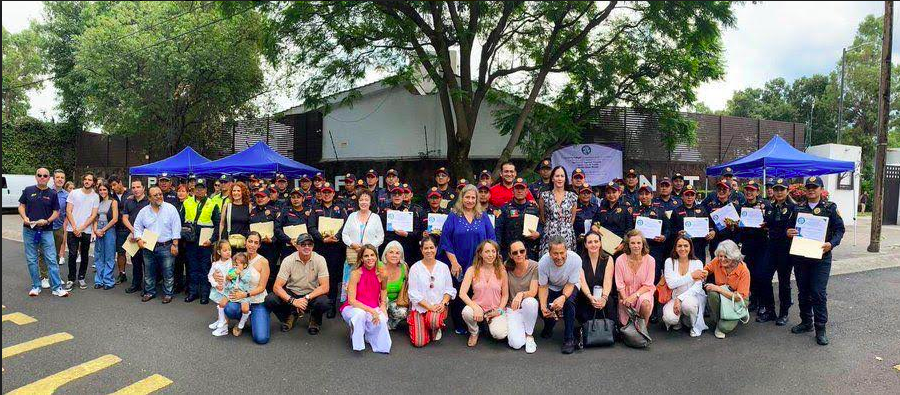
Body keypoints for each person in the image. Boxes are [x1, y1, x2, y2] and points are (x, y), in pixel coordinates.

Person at [787, 176, 845, 346]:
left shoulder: (830, 207)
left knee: (818, 293)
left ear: (821, 189)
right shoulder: (798, 208)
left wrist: (831, 244)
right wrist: (788, 232)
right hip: (801, 257)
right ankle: (806, 322)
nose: (811, 190)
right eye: (809, 187)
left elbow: (840, 230)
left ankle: (821, 328)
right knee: (803, 292)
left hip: (821, 258)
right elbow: (789, 228)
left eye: (815, 187)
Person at [438, 184, 497, 335]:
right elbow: (445, 240)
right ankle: (460, 324)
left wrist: (490, 259)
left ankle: (480, 322)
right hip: (459, 261)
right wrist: (453, 262)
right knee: (460, 292)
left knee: (479, 292)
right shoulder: (453, 215)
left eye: (473, 197)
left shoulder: (482, 216)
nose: (470, 200)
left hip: (479, 262)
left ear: (477, 199)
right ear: (461, 198)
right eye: (467, 197)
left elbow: (492, 239)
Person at [264, 233, 330, 336]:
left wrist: (307, 298)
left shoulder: (320, 259)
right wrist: (292, 300)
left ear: (313, 246)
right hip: (292, 292)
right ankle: (290, 315)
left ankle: (315, 319)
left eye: (310, 244)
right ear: (297, 246)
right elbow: (277, 286)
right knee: (270, 299)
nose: (307, 247)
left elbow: (325, 287)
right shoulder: (288, 260)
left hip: (311, 293)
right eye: (303, 244)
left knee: (324, 302)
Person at [18, 168, 69, 297]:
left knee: (51, 258)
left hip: (46, 231)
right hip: (29, 230)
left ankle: (57, 288)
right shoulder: (28, 190)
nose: (42, 177)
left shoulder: (52, 194)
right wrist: (24, 218)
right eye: (39, 175)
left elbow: (56, 212)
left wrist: (47, 221)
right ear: (36, 177)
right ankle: (36, 286)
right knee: (31, 259)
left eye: (45, 175)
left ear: (48, 178)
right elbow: (21, 206)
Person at [213, 232, 271, 344]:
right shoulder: (238, 258)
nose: (252, 245)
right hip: (239, 300)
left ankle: (257, 316)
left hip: (256, 300)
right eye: (250, 241)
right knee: (229, 308)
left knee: (261, 338)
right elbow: (227, 273)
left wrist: (246, 294)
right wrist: (222, 277)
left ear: (259, 245)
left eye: (256, 243)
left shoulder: (263, 262)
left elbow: (262, 287)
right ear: (245, 242)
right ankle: (239, 321)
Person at [133, 186, 182, 303]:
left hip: (166, 246)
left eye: (160, 194)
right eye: (156, 195)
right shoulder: (144, 211)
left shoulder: (171, 209)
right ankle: (149, 292)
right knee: (149, 271)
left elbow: (176, 227)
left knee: (168, 272)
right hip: (148, 245)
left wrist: (175, 245)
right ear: (149, 198)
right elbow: (137, 226)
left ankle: (168, 294)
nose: (159, 196)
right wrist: (139, 239)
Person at [341, 244, 392, 353]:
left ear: (376, 257)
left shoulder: (383, 273)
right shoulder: (356, 273)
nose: (370, 258)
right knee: (360, 314)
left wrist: (383, 305)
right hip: (353, 308)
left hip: (373, 307)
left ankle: (368, 335)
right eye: (366, 256)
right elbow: (351, 300)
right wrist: (372, 311)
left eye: (372, 255)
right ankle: (357, 342)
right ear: (362, 259)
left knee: (382, 320)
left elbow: (383, 289)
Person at [407, 236, 456, 347]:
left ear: (436, 248)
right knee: (419, 343)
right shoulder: (415, 268)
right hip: (421, 307)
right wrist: (429, 307)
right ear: (421, 250)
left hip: (438, 307)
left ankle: (434, 327)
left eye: (431, 247)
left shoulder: (443, 267)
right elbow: (413, 293)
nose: (429, 251)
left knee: (433, 321)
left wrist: (443, 303)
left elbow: (449, 289)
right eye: (426, 248)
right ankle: (423, 326)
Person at [307, 182, 347, 318]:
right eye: (324, 192)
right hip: (320, 247)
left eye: (329, 192)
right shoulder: (315, 208)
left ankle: (331, 305)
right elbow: (311, 227)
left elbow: (345, 226)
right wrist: (322, 238)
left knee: (334, 277)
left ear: (333, 193)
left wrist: (337, 236)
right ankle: (318, 302)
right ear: (321, 194)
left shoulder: (340, 208)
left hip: (336, 248)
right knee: (319, 275)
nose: (327, 194)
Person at [759, 178, 796, 326]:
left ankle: (784, 313)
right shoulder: (769, 206)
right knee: (763, 277)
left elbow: (793, 229)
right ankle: (770, 311)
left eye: (782, 189)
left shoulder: (794, 208)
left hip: (786, 249)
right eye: (776, 190)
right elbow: (771, 223)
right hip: (771, 247)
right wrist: (766, 225)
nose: (779, 192)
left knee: (784, 282)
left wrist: (782, 232)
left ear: (788, 191)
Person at [459, 240, 509, 347]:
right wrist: (475, 307)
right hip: (478, 307)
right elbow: (462, 293)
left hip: (495, 309)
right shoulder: (471, 270)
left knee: (499, 334)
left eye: (493, 251)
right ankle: (474, 331)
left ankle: (488, 324)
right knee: (467, 312)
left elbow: (505, 295)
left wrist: (499, 310)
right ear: (480, 253)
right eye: (487, 252)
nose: (491, 255)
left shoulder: (502, 271)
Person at [538, 236, 582, 354]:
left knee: (568, 303)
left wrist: (563, 297)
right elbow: (543, 286)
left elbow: (570, 285)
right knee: (542, 307)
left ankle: (569, 339)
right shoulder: (543, 262)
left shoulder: (576, 260)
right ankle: (549, 324)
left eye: (562, 253)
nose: (559, 257)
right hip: (551, 286)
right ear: (549, 253)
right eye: (555, 253)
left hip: (570, 284)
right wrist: (543, 306)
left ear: (566, 250)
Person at [699, 240, 751, 339]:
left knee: (724, 327)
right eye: (720, 256)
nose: (722, 259)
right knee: (712, 292)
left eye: (726, 256)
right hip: (723, 295)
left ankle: (739, 313)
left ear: (733, 256)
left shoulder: (744, 271)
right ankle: (720, 319)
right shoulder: (717, 261)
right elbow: (708, 268)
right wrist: (705, 272)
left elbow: (738, 297)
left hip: (737, 299)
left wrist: (718, 289)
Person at [341, 189, 384, 305]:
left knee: (368, 280)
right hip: (353, 255)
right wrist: (352, 244)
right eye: (361, 200)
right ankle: (350, 303)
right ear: (358, 202)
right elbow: (344, 234)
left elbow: (381, 237)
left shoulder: (376, 217)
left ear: (370, 202)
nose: (364, 202)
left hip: (369, 257)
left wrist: (368, 248)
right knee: (352, 280)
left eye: (366, 200)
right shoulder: (352, 216)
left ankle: (368, 303)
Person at [661, 236, 707, 337]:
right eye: (679, 246)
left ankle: (693, 324)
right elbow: (671, 284)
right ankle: (679, 320)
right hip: (674, 297)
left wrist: (680, 298)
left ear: (690, 247)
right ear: (675, 248)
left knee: (688, 305)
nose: (682, 249)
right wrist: (691, 276)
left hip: (693, 297)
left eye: (686, 246)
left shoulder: (697, 263)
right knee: (670, 318)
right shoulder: (670, 261)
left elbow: (697, 287)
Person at [738, 180, 771, 317]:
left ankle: (763, 303)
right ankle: (754, 300)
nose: (749, 192)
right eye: (747, 190)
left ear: (758, 192)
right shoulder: (742, 206)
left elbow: (771, 223)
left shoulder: (765, 205)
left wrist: (767, 225)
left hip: (762, 245)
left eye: (752, 190)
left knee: (761, 274)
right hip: (747, 245)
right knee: (749, 274)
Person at [184, 181, 221, 304]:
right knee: (192, 267)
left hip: (205, 241)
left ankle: (205, 294)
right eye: (197, 188)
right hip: (191, 240)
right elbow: (181, 220)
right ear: (193, 190)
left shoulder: (213, 204)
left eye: (202, 188)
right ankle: (193, 292)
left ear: (206, 190)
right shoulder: (187, 202)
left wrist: (211, 240)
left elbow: (217, 225)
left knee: (205, 268)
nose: (199, 191)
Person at [575, 232, 615, 345]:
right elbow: (581, 281)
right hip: (586, 296)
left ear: (601, 243)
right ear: (585, 244)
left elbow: (608, 281)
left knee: (610, 303)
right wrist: (590, 297)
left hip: (604, 296)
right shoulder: (579, 259)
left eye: (596, 241)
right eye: (590, 242)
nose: (593, 244)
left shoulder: (608, 258)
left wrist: (604, 298)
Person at [614, 230, 655, 332]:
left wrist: (635, 296)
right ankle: (631, 328)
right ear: (628, 245)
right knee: (625, 325)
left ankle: (642, 329)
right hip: (625, 294)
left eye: (638, 243)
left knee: (645, 304)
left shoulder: (650, 260)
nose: (636, 246)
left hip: (643, 292)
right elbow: (619, 284)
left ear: (643, 244)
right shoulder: (620, 260)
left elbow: (648, 284)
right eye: (632, 243)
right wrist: (625, 299)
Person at [65, 172, 100, 290]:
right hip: (72, 229)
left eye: (90, 180)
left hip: (86, 230)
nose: (87, 181)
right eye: (85, 179)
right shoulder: (74, 193)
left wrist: (81, 228)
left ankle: (81, 277)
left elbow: (93, 215)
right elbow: (68, 211)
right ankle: (70, 279)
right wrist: (75, 227)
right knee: (72, 254)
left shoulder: (95, 196)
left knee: (85, 254)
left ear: (93, 182)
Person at [505, 240, 539, 353]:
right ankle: (522, 328)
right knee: (516, 344)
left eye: (522, 251)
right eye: (515, 253)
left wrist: (521, 294)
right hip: (512, 308)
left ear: (526, 251)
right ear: (510, 255)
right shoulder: (506, 266)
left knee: (530, 301)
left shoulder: (534, 266)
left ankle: (529, 335)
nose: (519, 254)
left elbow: (533, 292)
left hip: (526, 307)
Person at [495, 178, 542, 260]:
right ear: (513, 191)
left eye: (522, 188)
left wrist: (538, 233)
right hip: (509, 252)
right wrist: (497, 250)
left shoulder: (534, 208)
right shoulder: (505, 209)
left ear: (527, 191)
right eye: (517, 188)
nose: (519, 191)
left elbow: (542, 224)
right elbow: (498, 230)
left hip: (529, 251)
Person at [669, 185, 715, 262]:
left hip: (699, 248)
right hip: (682, 248)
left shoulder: (702, 210)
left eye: (692, 195)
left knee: (699, 271)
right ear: (682, 197)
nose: (689, 197)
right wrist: (678, 233)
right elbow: (670, 229)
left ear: (695, 196)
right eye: (687, 195)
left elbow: (710, 226)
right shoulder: (676, 211)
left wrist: (712, 232)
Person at [539, 166, 577, 255]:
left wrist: (566, 226)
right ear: (552, 178)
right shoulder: (544, 196)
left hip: (567, 234)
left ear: (565, 179)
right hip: (549, 233)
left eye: (562, 176)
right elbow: (542, 217)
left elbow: (573, 218)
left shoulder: (572, 196)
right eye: (557, 176)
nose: (559, 179)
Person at [122, 180, 151, 294]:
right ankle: (136, 284)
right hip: (133, 234)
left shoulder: (149, 202)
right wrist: (134, 231)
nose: (136, 189)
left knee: (148, 263)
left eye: (138, 187)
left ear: (143, 188)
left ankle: (148, 287)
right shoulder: (128, 201)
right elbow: (125, 218)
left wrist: (140, 234)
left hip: (147, 236)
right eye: (133, 187)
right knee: (135, 262)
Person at [249, 187, 281, 289]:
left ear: (268, 198)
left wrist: (272, 239)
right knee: (254, 272)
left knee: (269, 273)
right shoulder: (252, 211)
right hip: (256, 248)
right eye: (257, 197)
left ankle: (267, 296)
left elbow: (279, 229)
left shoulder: (275, 211)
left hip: (270, 247)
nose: (259, 199)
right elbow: (248, 227)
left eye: (262, 197)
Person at [590, 182, 634, 253]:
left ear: (619, 192)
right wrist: (594, 226)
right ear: (605, 194)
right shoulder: (601, 208)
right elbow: (595, 223)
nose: (611, 195)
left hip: (620, 246)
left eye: (614, 192)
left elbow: (629, 229)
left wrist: (624, 243)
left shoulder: (626, 208)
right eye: (608, 193)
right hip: (603, 246)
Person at [702, 180, 741, 258]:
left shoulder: (735, 207)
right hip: (715, 242)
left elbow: (739, 227)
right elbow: (706, 222)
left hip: (731, 241)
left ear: (729, 192)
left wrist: (735, 226)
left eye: (724, 189)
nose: (721, 191)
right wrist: (711, 230)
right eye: (719, 189)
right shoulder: (710, 206)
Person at [219, 252, 255, 337]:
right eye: (234, 263)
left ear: (245, 265)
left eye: (238, 264)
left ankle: (241, 323)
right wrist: (228, 278)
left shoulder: (247, 272)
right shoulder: (232, 271)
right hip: (231, 292)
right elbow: (228, 284)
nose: (235, 266)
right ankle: (221, 320)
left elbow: (247, 280)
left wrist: (240, 273)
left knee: (245, 309)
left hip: (243, 294)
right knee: (221, 303)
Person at [92, 181, 119, 290]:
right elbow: (95, 218)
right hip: (98, 229)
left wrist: (103, 229)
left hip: (109, 229)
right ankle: (99, 280)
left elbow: (115, 219)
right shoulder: (97, 201)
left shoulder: (113, 202)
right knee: (98, 255)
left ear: (108, 190)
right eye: (100, 190)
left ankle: (108, 280)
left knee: (109, 255)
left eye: (104, 189)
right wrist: (96, 230)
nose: (102, 192)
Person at [380, 186, 419, 259]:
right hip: (387, 246)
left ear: (403, 196)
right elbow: (379, 230)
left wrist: (407, 234)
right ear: (391, 196)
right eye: (394, 194)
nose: (397, 196)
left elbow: (416, 232)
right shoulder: (384, 210)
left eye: (400, 194)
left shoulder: (411, 211)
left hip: (405, 248)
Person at [207, 240, 234, 335]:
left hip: (228, 290)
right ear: (219, 252)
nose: (228, 252)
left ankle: (224, 327)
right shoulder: (216, 264)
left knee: (223, 306)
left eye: (229, 250)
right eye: (225, 250)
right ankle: (220, 321)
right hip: (218, 289)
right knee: (219, 306)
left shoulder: (232, 263)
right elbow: (210, 276)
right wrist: (215, 284)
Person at [381, 241, 409, 330]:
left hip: (396, 300)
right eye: (391, 252)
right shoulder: (379, 266)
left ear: (401, 256)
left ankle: (391, 322)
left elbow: (407, 285)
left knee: (403, 312)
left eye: (397, 253)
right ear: (385, 254)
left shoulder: (404, 267)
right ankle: (382, 321)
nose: (394, 255)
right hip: (380, 299)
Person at [109, 175, 131, 284]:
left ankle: (140, 276)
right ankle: (122, 274)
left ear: (120, 183)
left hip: (131, 227)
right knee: (121, 252)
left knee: (136, 253)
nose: (113, 188)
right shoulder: (111, 196)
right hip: (119, 228)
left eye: (114, 185)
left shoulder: (131, 193)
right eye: (111, 186)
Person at [219, 182, 252, 254]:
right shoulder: (227, 205)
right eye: (234, 191)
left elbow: (250, 225)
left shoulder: (248, 206)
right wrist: (220, 240)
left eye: (238, 191)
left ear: (243, 192)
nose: (236, 193)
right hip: (229, 242)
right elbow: (222, 224)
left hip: (243, 243)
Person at [173, 183, 190, 294]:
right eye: (179, 191)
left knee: (188, 263)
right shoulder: (174, 205)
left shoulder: (190, 204)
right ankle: (178, 284)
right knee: (177, 263)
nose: (181, 193)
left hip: (187, 238)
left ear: (188, 193)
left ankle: (188, 286)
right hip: (176, 238)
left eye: (184, 191)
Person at [574, 185, 599, 254]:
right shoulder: (574, 206)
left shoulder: (595, 207)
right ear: (579, 195)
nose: (586, 195)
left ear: (591, 195)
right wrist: (577, 237)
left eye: (588, 193)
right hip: (578, 241)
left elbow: (598, 222)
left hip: (592, 242)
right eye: (583, 193)